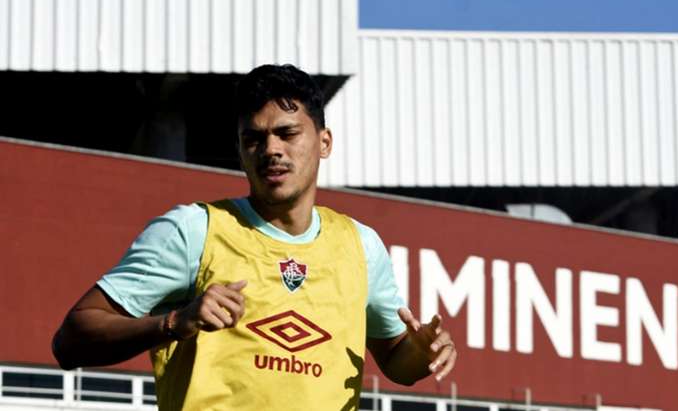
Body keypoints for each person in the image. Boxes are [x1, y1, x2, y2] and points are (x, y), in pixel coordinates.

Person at [52, 64, 456, 410]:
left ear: (324, 142)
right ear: (241, 150)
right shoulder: (193, 230)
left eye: (287, 133)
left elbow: (394, 360)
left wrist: (421, 354)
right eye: (254, 138)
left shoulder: (361, 245)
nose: (271, 150)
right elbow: (71, 340)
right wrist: (175, 322)